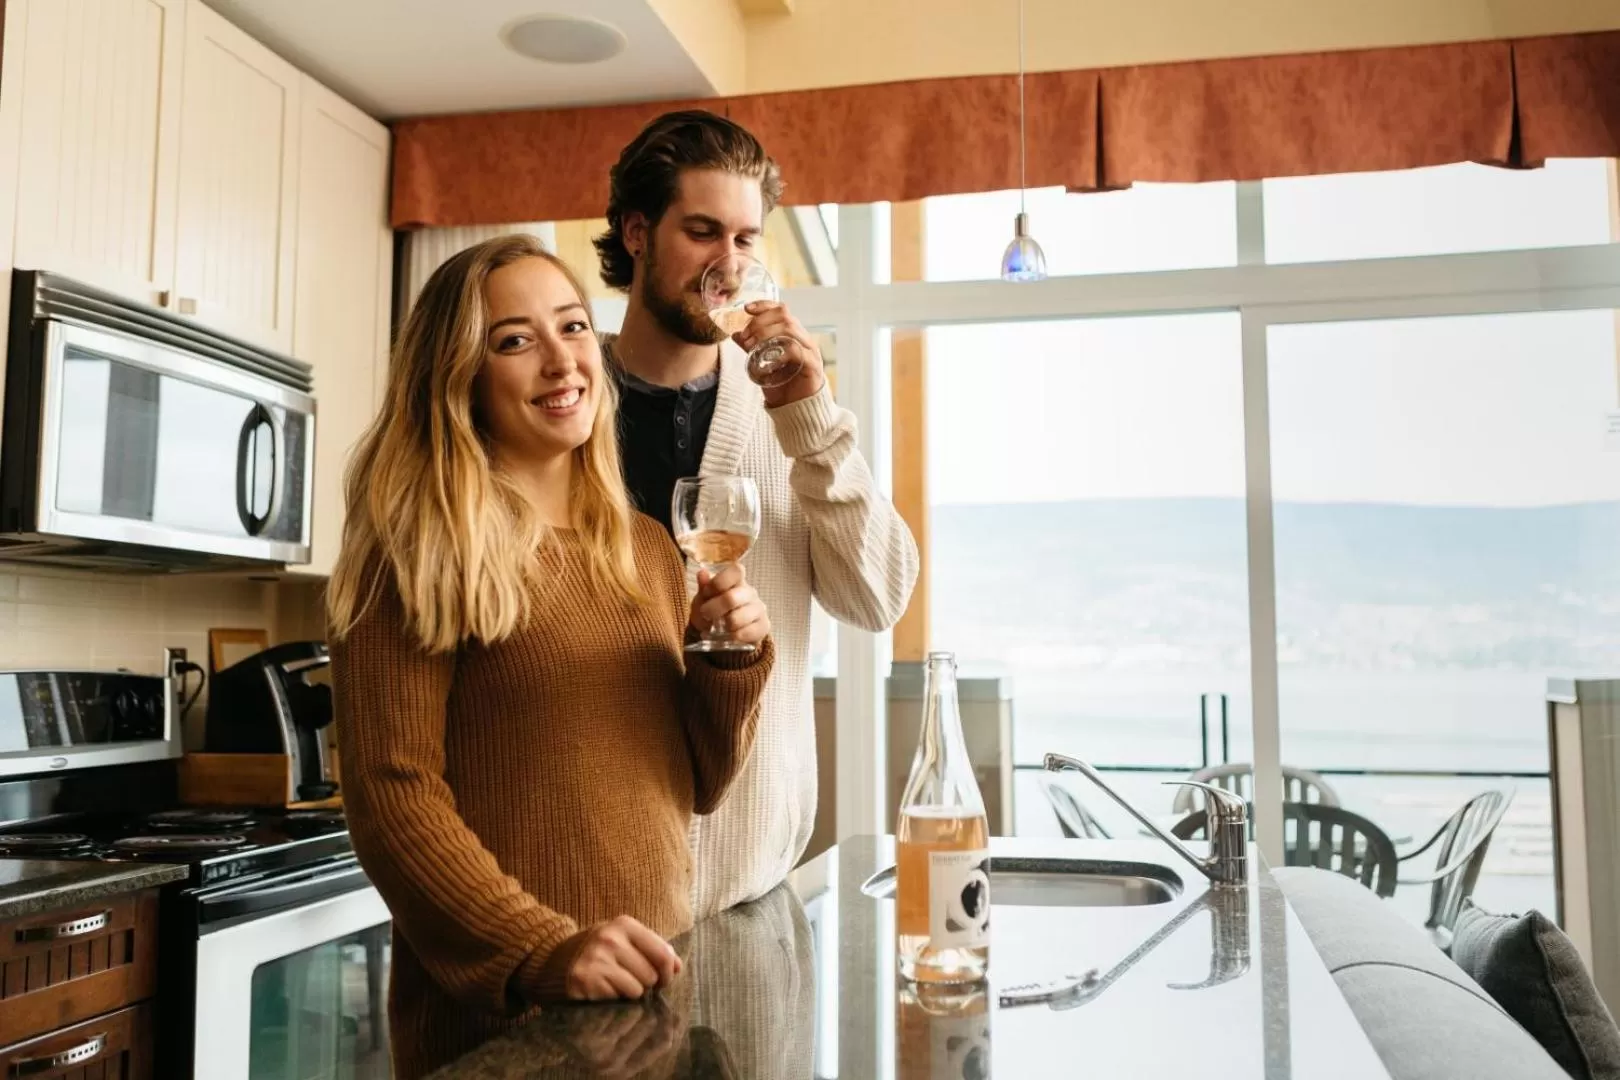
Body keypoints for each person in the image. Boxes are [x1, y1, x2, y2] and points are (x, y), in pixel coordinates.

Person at [325, 234, 776, 1079]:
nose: (561, 360)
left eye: (572, 327)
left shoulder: (644, 547)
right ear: (458, 373)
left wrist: (729, 665)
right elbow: (392, 797)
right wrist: (541, 951)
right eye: (514, 340)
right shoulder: (419, 545)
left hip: (646, 1004)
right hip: (507, 1028)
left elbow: (694, 788)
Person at [597, 109, 920, 917]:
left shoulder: (790, 416)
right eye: (703, 232)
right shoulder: (565, 402)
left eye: (746, 240)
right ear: (638, 232)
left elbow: (876, 597)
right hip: (591, 894)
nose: (728, 265)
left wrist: (813, 419)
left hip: (748, 888)